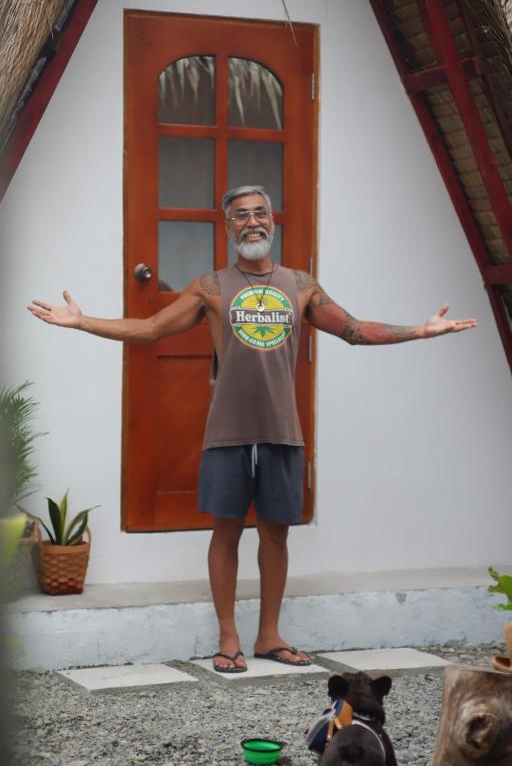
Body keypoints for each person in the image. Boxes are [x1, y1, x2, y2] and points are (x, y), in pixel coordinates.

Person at [27, 184, 477, 673]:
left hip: (283, 430)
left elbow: (355, 330)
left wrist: (420, 330)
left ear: (273, 222)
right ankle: (228, 639)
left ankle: (269, 636)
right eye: (240, 215)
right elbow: (151, 329)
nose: (252, 221)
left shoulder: (301, 286)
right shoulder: (211, 287)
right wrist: (81, 321)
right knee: (225, 533)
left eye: (260, 212)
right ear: (228, 227)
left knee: (276, 534)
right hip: (227, 432)